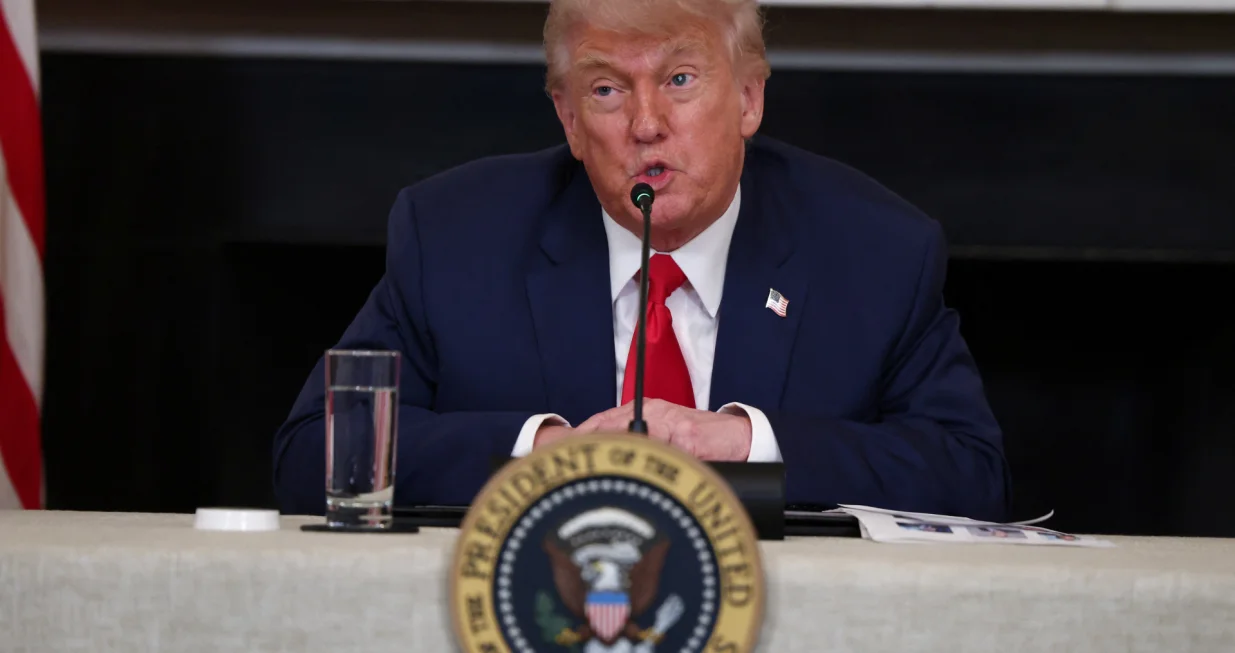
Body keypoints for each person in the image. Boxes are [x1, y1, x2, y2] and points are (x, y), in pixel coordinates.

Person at [272, 0, 1010, 521]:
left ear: (749, 98)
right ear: (567, 119)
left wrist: (740, 442)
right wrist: (549, 452)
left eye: (680, 79)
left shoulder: (875, 249)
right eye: (606, 89)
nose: (646, 124)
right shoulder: (455, 236)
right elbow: (318, 454)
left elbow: (969, 474)